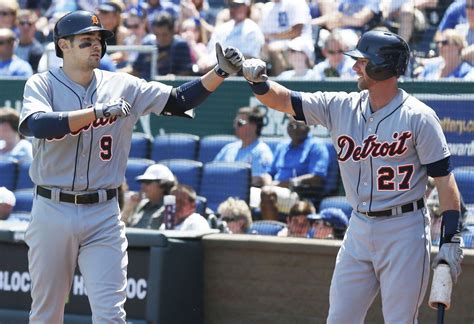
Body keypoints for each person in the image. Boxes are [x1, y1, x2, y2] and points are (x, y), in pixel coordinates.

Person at [18, 10, 243, 323]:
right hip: (53, 208)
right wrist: (95, 113)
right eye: (86, 41)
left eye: (99, 40)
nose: (96, 45)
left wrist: (219, 72)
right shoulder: (42, 83)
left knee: (111, 315)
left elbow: (177, 100)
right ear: (62, 45)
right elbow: (37, 126)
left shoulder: (122, 85)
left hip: (103, 211)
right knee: (46, 313)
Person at [242, 30, 463, 323]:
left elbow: (445, 182)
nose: (355, 66)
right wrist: (258, 82)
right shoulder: (341, 105)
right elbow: (284, 101)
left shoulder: (418, 117)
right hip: (358, 225)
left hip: (404, 229)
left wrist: (450, 239)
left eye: (362, 60)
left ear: (382, 66)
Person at [257, 118, 329, 214]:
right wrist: (269, 184)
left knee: (267, 194)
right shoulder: (282, 146)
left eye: (298, 125)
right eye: (291, 125)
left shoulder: (316, 146)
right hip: (272, 188)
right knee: (246, 194)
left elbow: (317, 177)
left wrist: (282, 184)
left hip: (298, 194)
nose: (293, 128)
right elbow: (269, 173)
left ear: (308, 127)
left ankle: (272, 227)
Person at [198, 0, 264, 74]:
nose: (233, 8)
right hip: (210, 72)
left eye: (237, 5)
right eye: (231, 5)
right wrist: (203, 60)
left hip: (234, 75)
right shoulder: (222, 28)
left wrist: (216, 65)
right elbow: (209, 51)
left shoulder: (252, 29)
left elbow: (248, 58)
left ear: (246, 7)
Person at [214, 106, 273, 187]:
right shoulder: (229, 148)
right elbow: (213, 172)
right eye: (235, 123)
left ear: (254, 126)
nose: (235, 126)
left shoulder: (261, 151)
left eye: (240, 123)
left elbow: (258, 180)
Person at [132, 12, 193, 79]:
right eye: (157, 34)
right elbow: (135, 70)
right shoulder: (147, 44)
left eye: (164, 34)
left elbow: (186, 71)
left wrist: (173, 78)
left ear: (173, 31)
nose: (160, 38)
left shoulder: (181, 46)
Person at [259, 0, 313, 76]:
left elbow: (296, 32)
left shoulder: (297, 2)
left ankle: (281, 84)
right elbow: (263, 34)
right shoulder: (266, 7)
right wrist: (264, 44)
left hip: (299, 43)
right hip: (273, 44)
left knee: (274, 50)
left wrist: (272, 37)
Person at [122, 163, 176, 229]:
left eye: (147, 182)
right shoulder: (138, 205)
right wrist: (128, 209)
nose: (142, 186)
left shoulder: (169, 209)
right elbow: (120, 230)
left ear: (163, 185)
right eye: (142, 182)